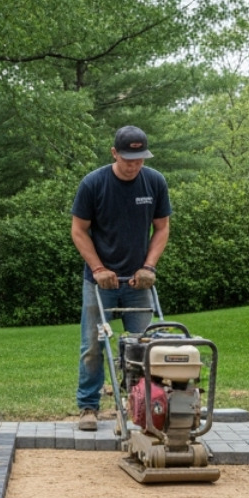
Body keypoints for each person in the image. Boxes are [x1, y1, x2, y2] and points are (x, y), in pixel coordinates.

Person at [70, 125, 171, 431]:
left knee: (146, 346)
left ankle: (143, 405)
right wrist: (99, 269)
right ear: (114, 153)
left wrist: (149, 267)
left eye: (139, 158)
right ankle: (88, 407)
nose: (134, 164)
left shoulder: (154, 182)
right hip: (100, 283)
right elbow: (78, 230)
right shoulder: (93, 184)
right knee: (92, 346)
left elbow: (162, 228)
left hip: (137, 283)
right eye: (128, 158)